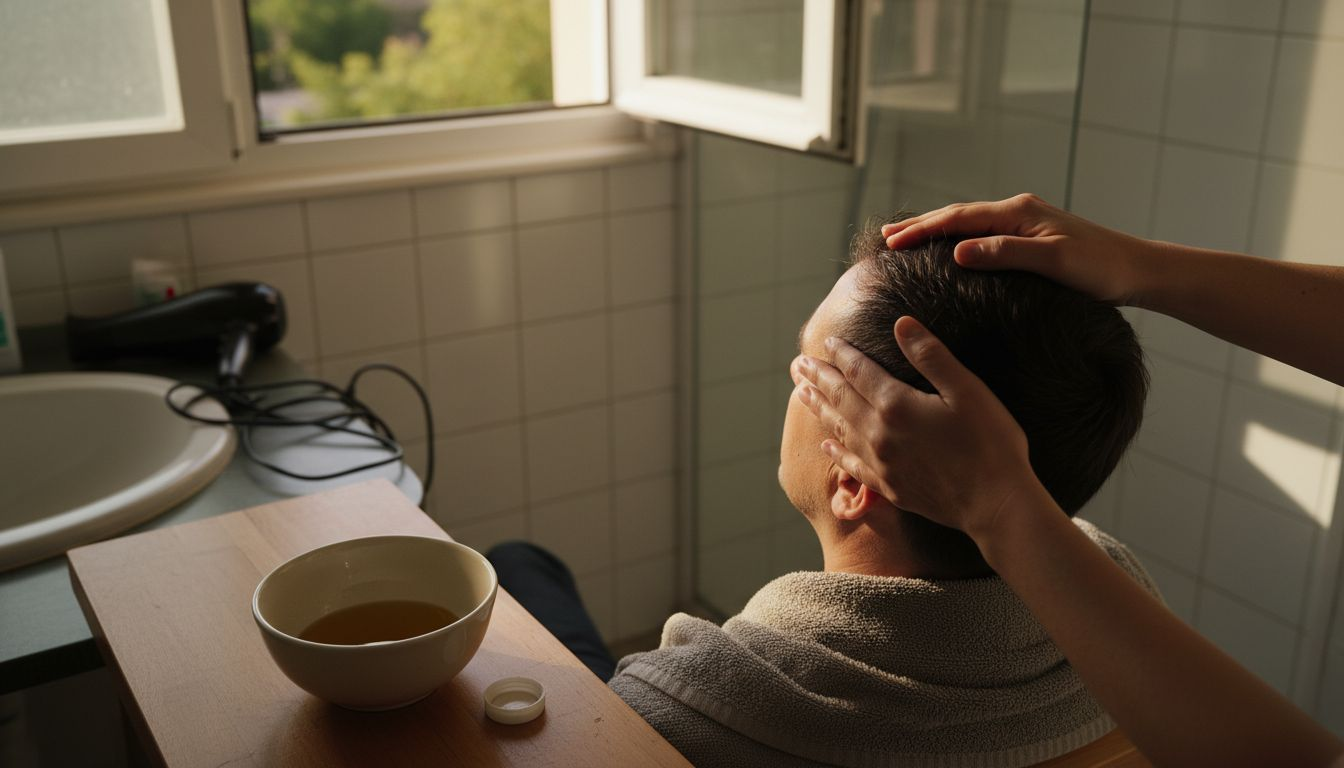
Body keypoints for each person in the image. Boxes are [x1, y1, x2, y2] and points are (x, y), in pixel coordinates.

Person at [498, 219, 1163, 767]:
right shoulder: (1132, 637)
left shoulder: (676, 720)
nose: (791, 387)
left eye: (810, 377)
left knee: (517, 566)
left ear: (852, 479)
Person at [789, 193, 1344, 768]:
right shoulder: (1107, 624)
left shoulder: (709, 720)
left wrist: (999, 505)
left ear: (856, 479)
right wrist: (1145, 267)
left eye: (806, 374)